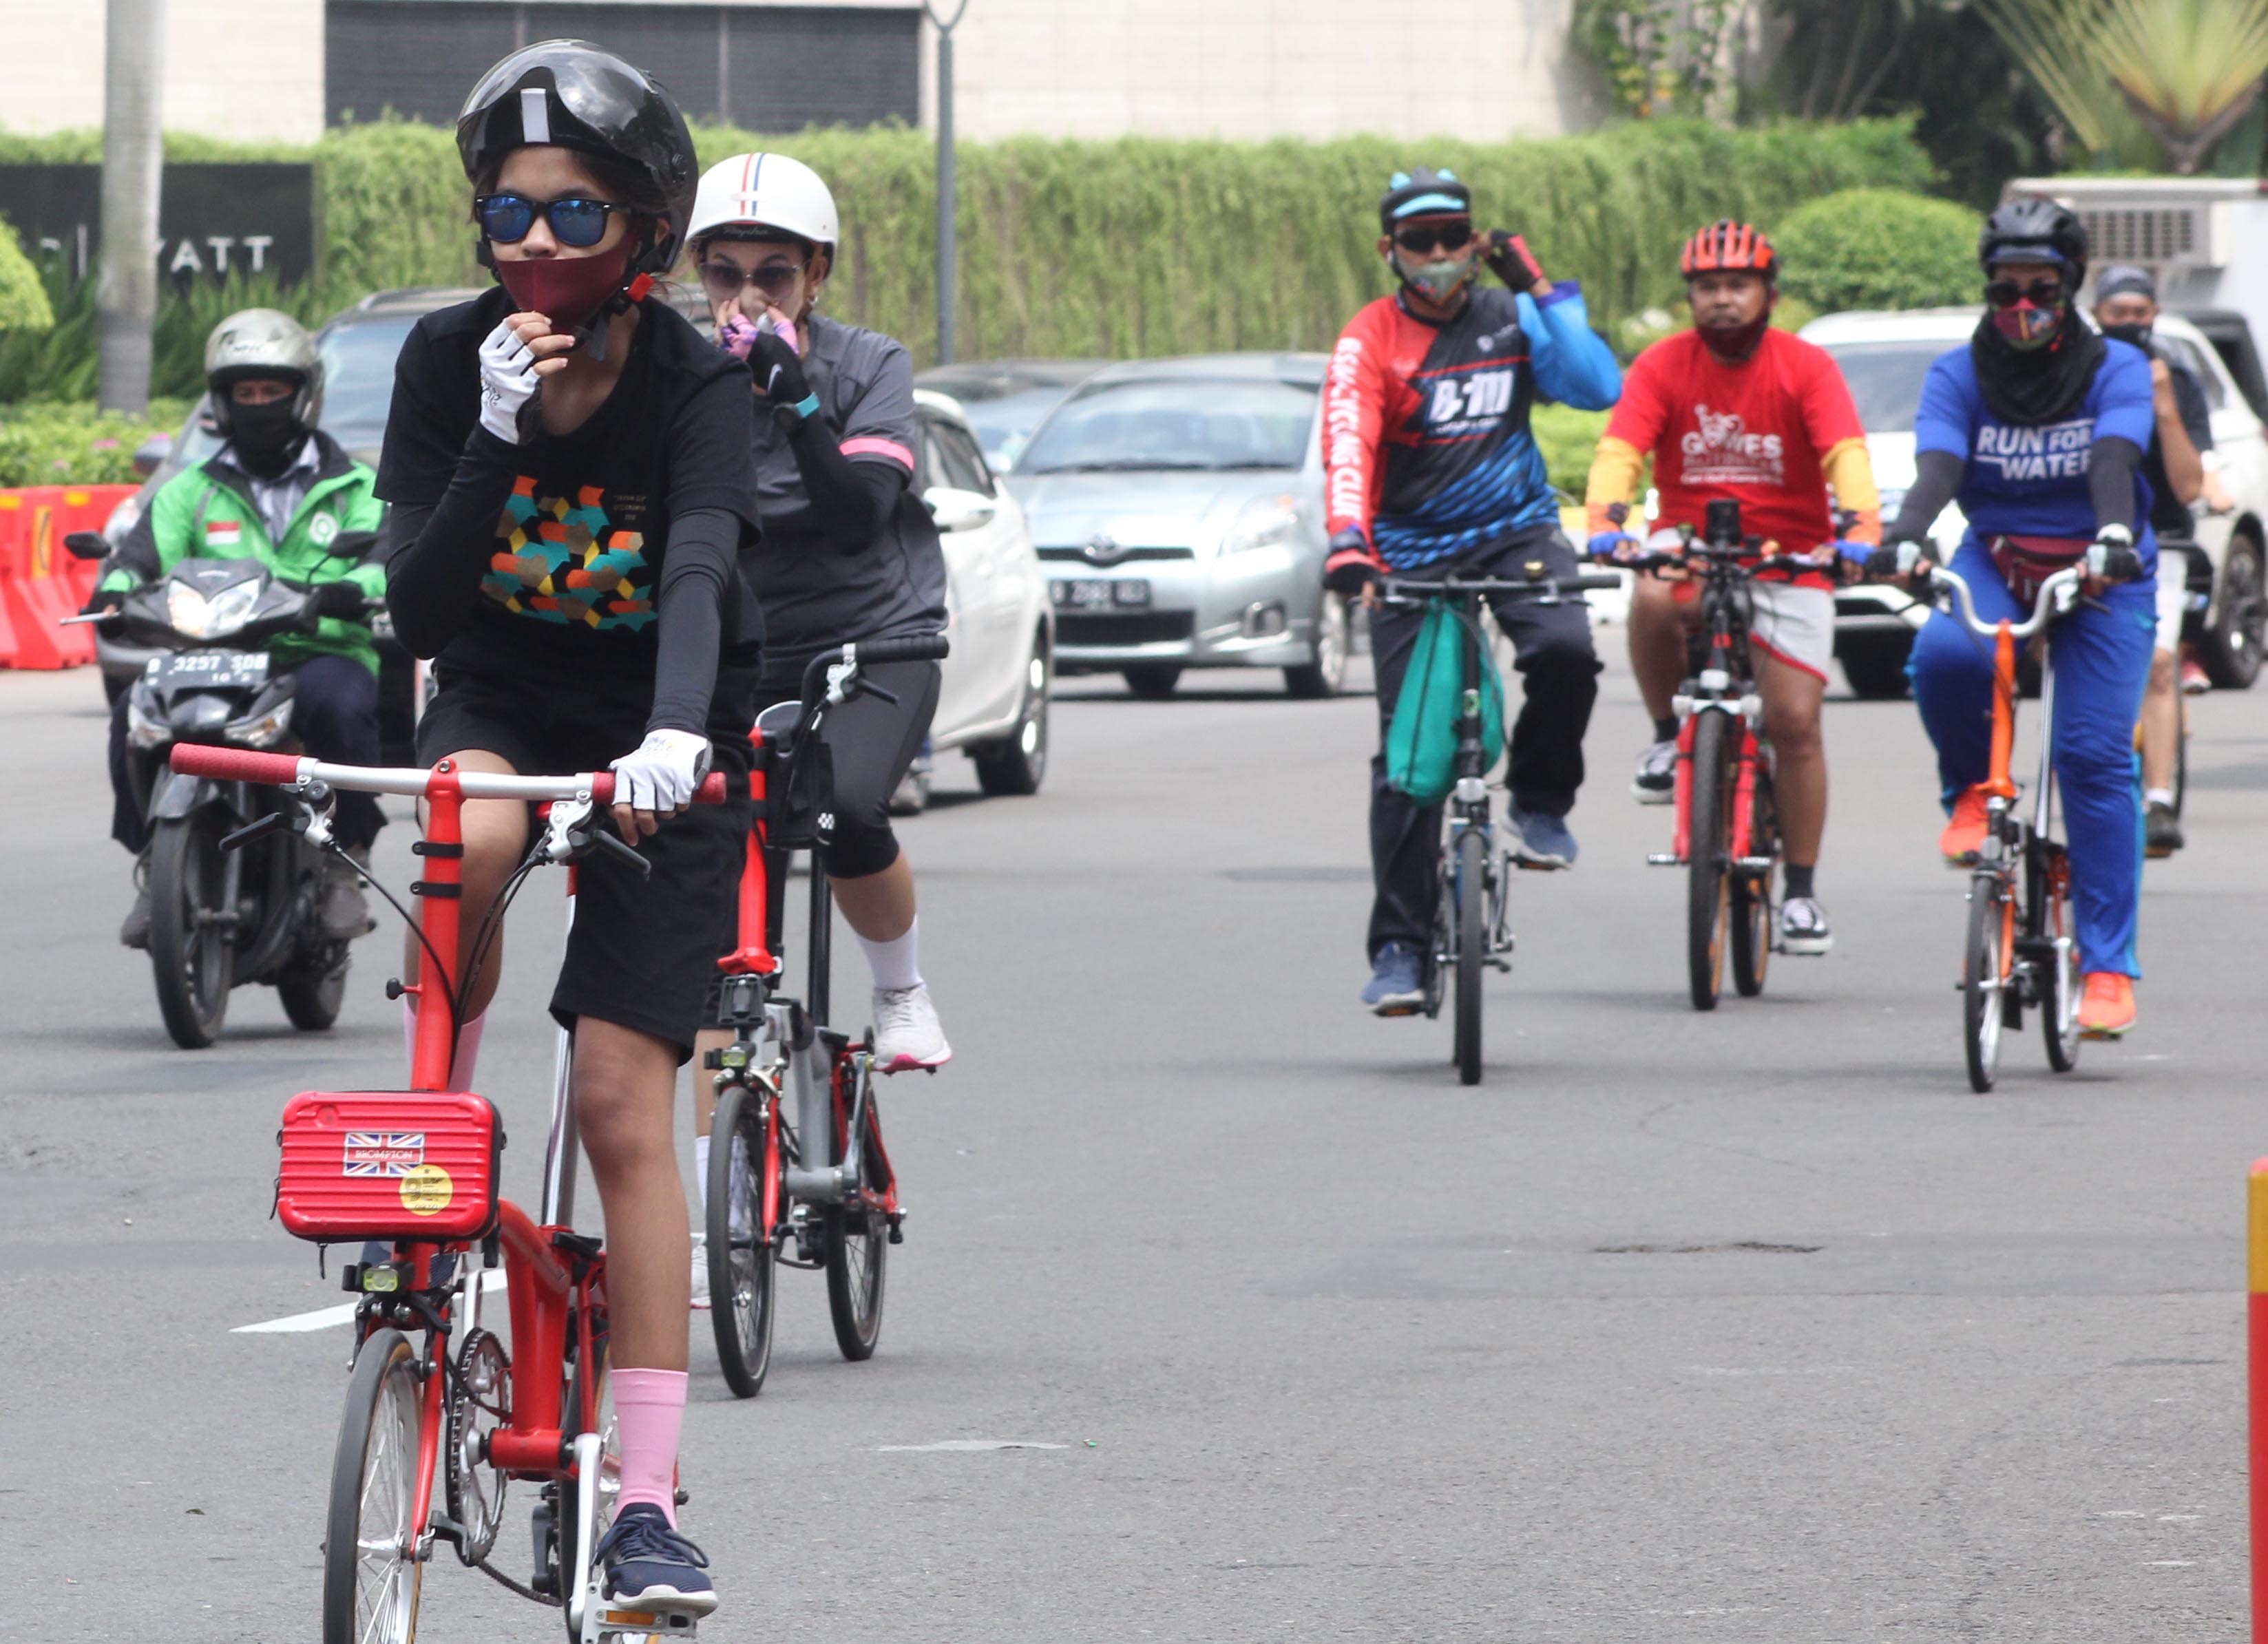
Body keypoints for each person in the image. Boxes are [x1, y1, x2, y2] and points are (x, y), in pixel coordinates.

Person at [377, 39, 763, 1617]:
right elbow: (414, 607)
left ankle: (652, 1506)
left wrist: (676, 734)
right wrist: (488, 439)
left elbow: (695, 567)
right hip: (504, 697)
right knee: (458, 836)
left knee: (622, 1106)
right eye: (507, 212)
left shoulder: (697, 383)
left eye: (572, 212)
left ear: (642, 233)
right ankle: (434, 1167)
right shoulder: (442, 359)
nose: (533, 244)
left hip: (662, 737)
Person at [678, 150, 951, 1307]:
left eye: (774, 276)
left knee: (843, 807)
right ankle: (705, 1220)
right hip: (740, 646)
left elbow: (854, 518)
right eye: (726, 273)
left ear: (816, 275)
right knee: (692, 901)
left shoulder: (863, 366)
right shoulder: (677, 373)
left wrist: (792, 398)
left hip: (871, 637)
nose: (748, 297)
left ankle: (897, 987)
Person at [1321, 167, 1621, 1015]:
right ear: (1392, 252)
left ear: (1477, 243)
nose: (1441, 254)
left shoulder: (1513, 316)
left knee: (1567, 654)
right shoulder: (1368, 339)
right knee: (1411, 759)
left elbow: (1599, 388)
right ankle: (1400, 950)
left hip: (1518, 531)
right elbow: (1348, 443)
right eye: (1420, 241)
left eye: (1456, 237)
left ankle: (1538, 799)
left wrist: (1541, 287)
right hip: (1409, 550)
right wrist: (1350, 546)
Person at [1878, 198, 2154, 1039]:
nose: (2022, 309)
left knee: (2091, 757)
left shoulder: (2118, 367)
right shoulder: (1958, 373)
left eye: (2042, 289)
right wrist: (1904, 536)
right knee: (1947, 659)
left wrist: (2110, 537)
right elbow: (1938, 466)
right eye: (2005, 292)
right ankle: (1970, 791)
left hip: (2106, 572)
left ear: (2071, 287)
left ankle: (2107, 969)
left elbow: (2114, 456)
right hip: (1997, 558)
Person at [1584, 220, 1880, 956]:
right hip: (1692, 547)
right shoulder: (1661, 365)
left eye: (1736, 286)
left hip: (1792, 558)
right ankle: (1664, 739)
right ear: (1690, 298)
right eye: (1707, 288)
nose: (1721, 300)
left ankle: (1802, 895)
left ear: (1768, 295)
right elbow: (1621, 449)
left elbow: (1845, 453)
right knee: (1651, 593)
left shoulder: (1805, 367)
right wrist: (1605, 523)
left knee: (1795, 724)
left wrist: (1860, 533)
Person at [94, 308, 388, 947]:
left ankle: (344, 860)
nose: (258, 405)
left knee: (341, 707)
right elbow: (138, 556)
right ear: (222, 402)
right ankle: (155, 865)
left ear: (304, 394)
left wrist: (348, 590)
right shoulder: (187, 491)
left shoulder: (359, 487)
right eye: (243, 393)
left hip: (318, 651)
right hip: (212, 654)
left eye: (271, 391)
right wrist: (116, 590)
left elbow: (390, 560)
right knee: (132, 718)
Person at [2091, 264, 2211, 858]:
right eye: (2119, 316)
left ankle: (2158, 799)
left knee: (2160, 663)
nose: (2131, 326)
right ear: (2096, 316)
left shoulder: (2179, 380)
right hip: (2091, 539)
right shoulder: (2080, 375)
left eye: (2141, 315)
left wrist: (2164, 407)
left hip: (2160, 538)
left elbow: (2190, 487)